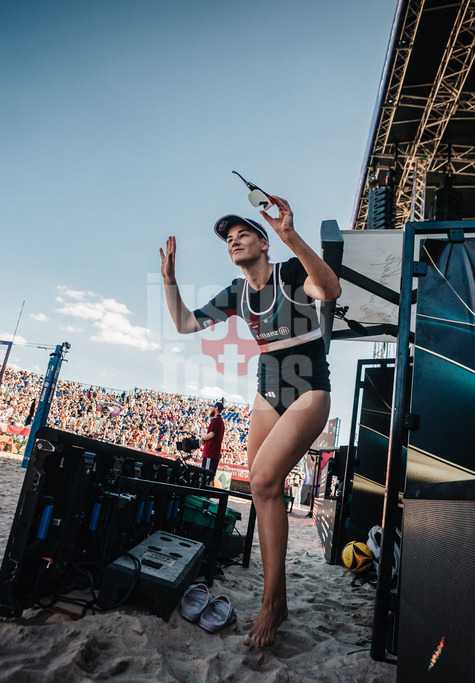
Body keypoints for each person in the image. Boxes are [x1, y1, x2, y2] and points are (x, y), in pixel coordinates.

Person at [160, 192, 341, 648]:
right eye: (228, 240)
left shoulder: (292, 271)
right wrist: (169, 281)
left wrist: (292, 236)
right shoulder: (237, 292)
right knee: (266, 492)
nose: (234, 242)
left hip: (309, 387)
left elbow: (332, 290)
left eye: (243, 235)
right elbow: (184, 324)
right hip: (267, 388)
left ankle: (269, 605)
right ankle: (277, 600)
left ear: (263, 243)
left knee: (260, 482)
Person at [199, 400, 225, 476]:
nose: (211, 409)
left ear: (216, 408)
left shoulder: (216, 420)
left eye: (212, 407)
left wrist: (203, 438)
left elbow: (211, 434)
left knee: (205, 476)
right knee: (210, 477)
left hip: (210, 452)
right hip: (214, 453)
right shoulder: (220, 421)